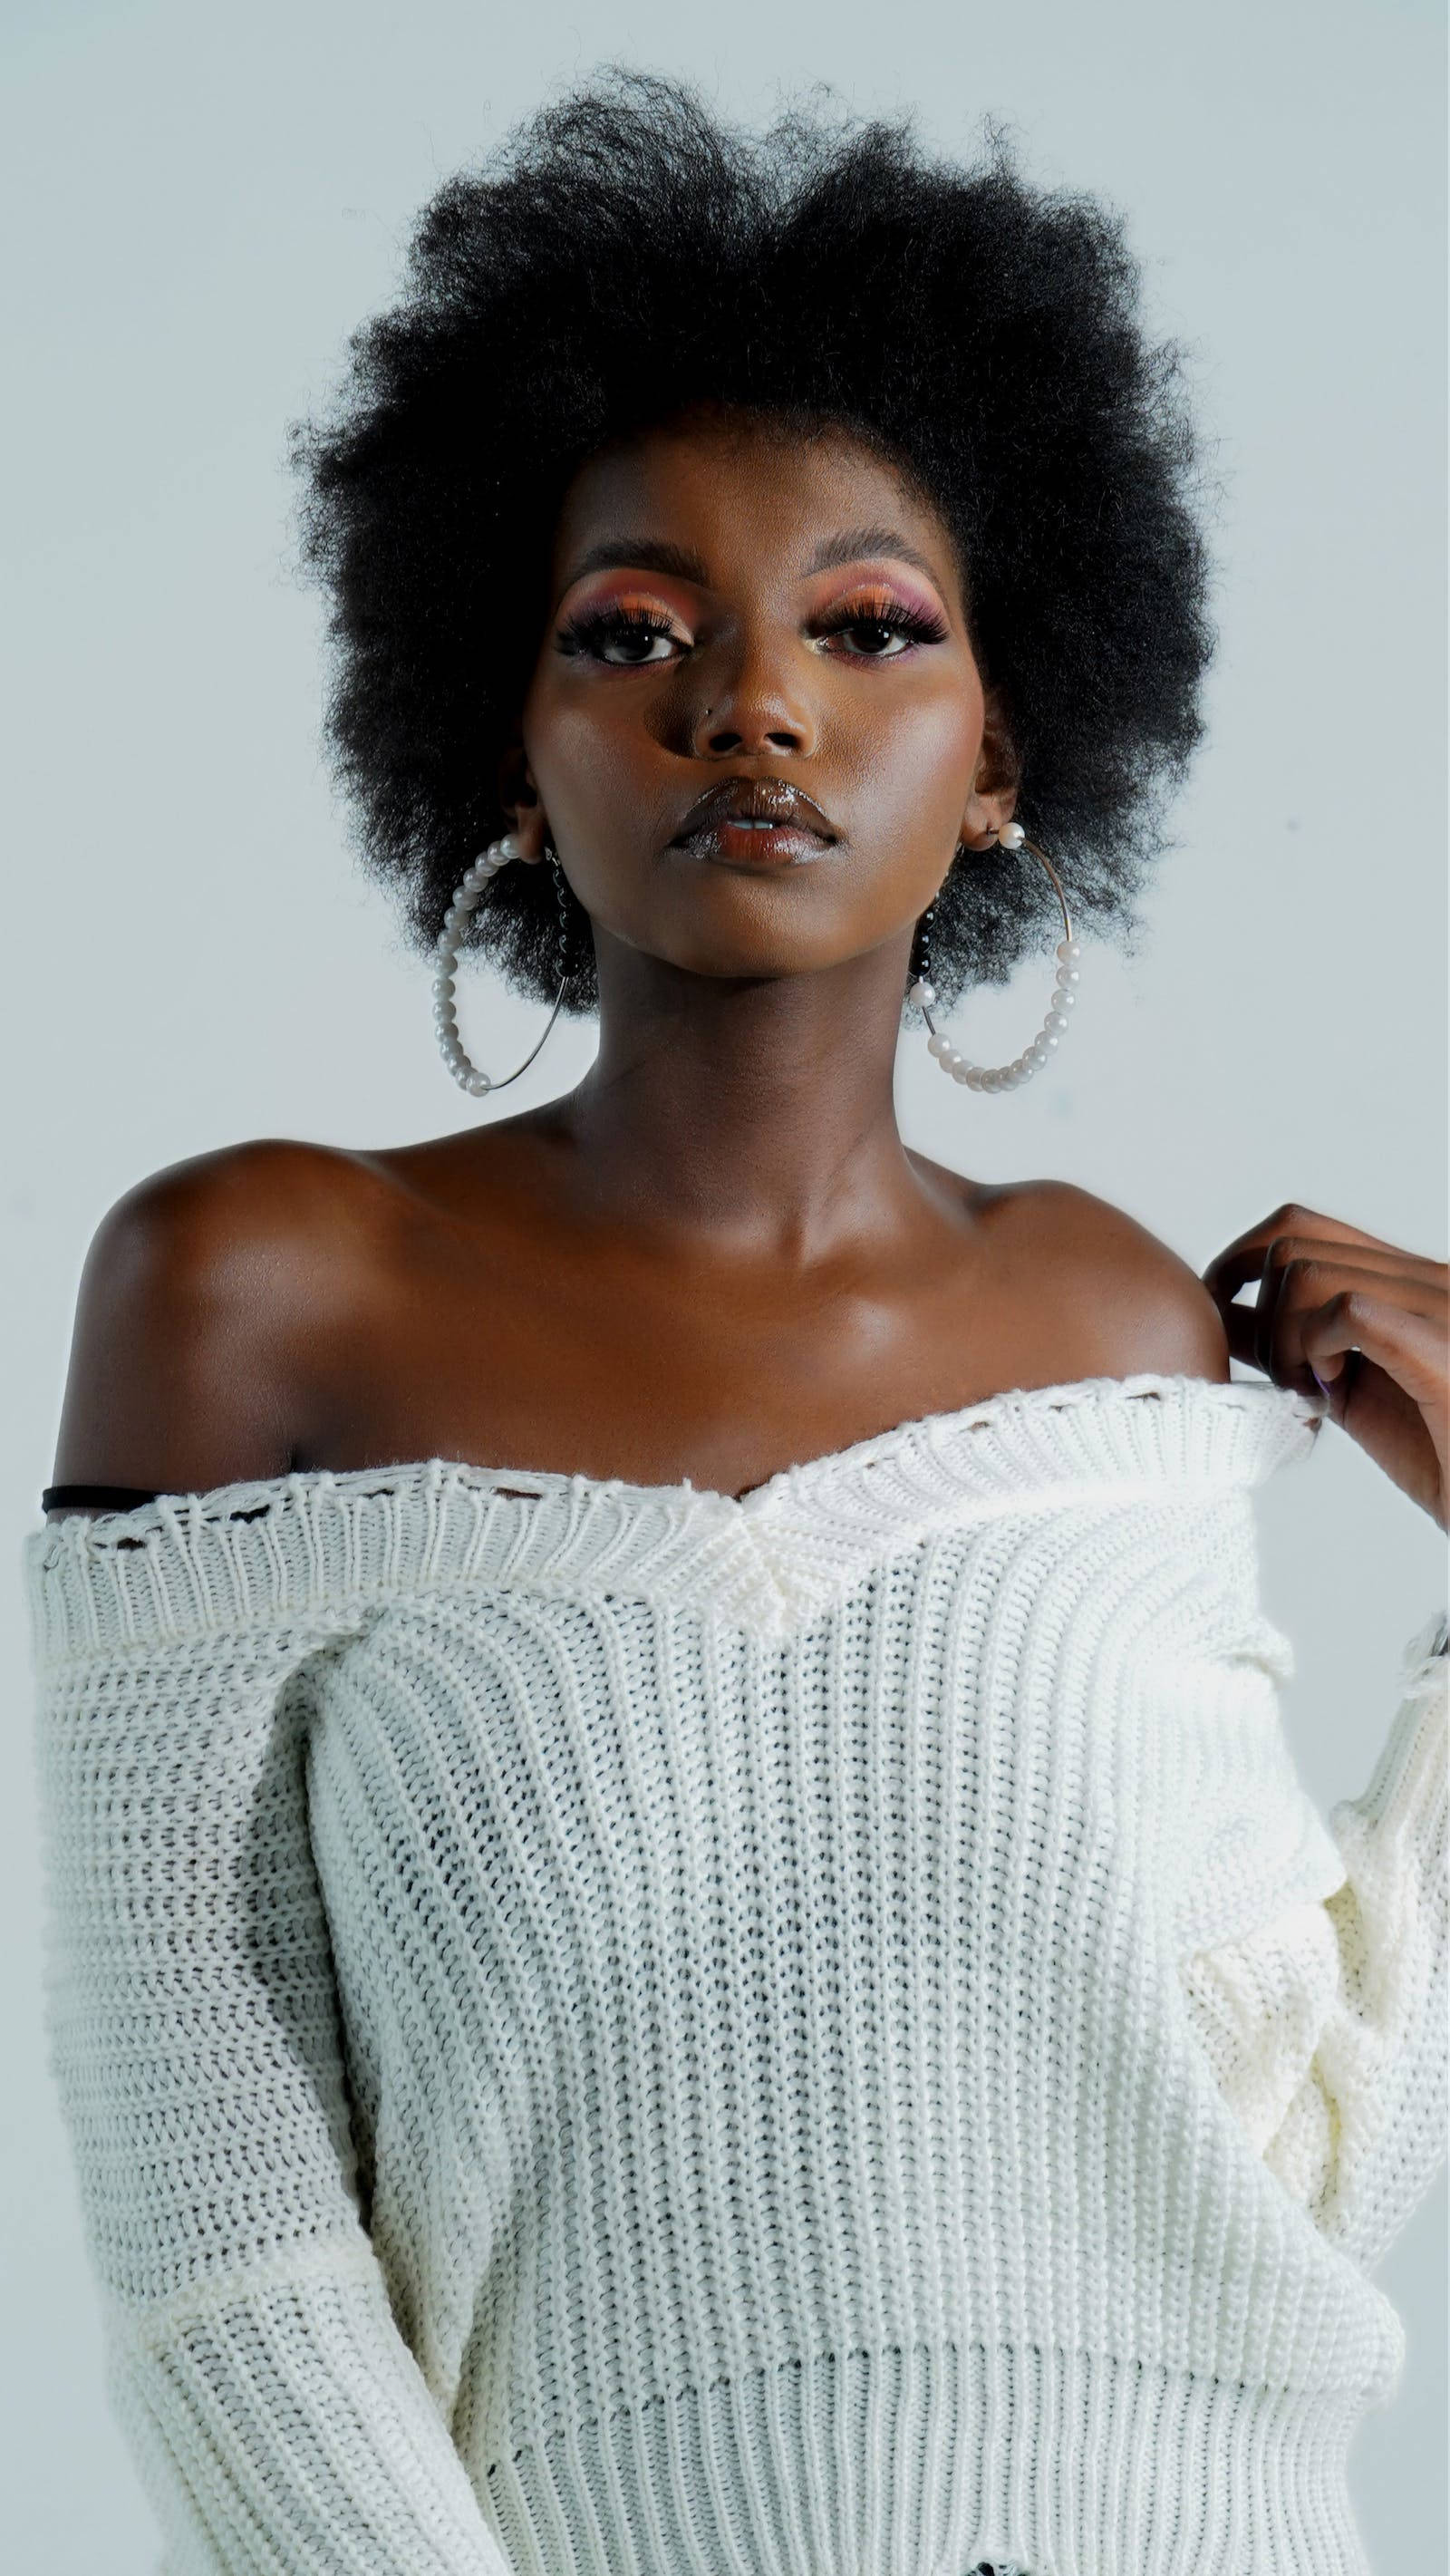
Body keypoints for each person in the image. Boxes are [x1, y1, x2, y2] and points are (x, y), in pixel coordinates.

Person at [24, 73, 1446, 2576]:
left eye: (866, 627)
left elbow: (1297, 2153)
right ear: (513, 742)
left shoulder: (1112, 1323)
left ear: (1000, 755)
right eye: (634, 632)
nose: (754, 706)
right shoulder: (252, 1288)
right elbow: (217, 2236)